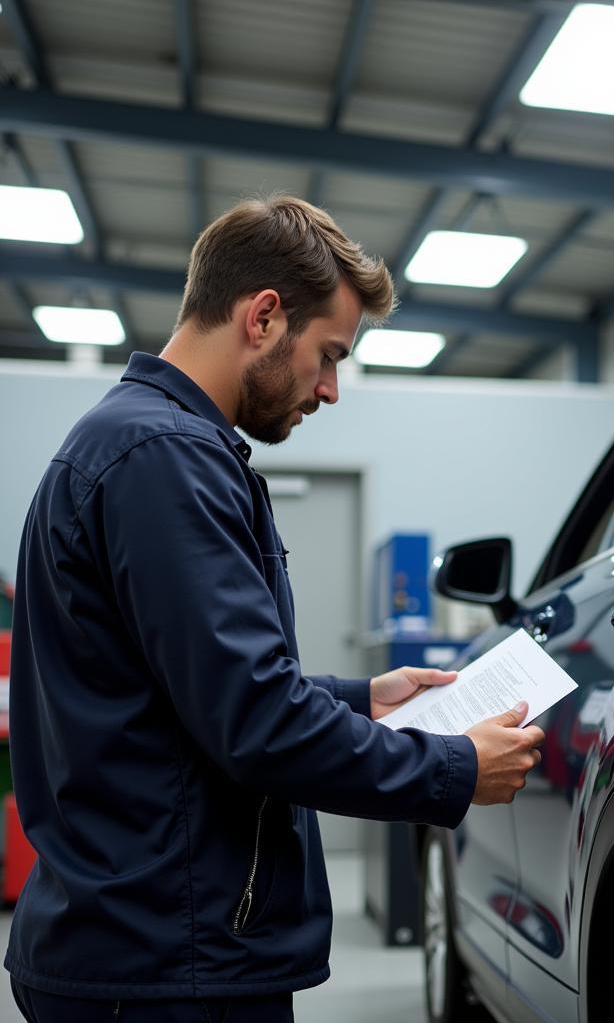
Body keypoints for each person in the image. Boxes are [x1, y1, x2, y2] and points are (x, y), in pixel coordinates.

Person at [4, 195, 545, 1022]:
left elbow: (186, 693)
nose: (330, 390)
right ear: (263, 317)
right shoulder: (166, 460)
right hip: (162, 965)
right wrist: (454, 769)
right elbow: (256, 721)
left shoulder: (146, 446)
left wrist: (364, 698)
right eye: (328, 356)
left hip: (147, 942)